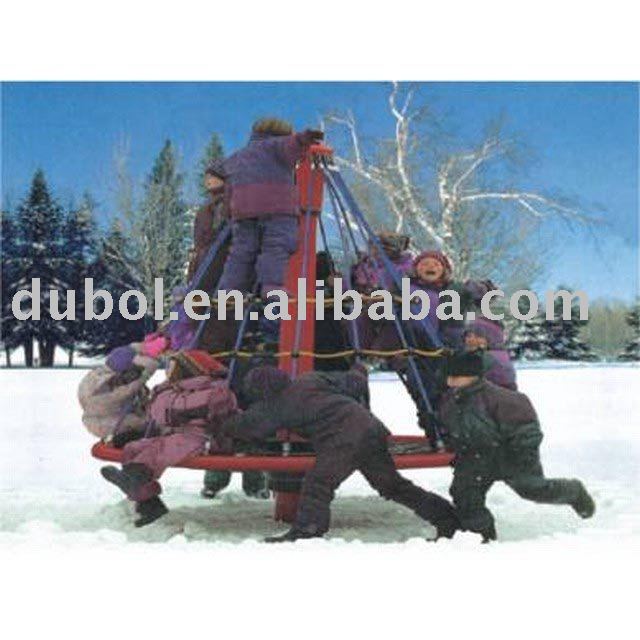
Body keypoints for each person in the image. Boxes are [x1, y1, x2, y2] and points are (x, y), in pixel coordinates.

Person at [217, 365, 459, 542]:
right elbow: (353, 382)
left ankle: (308, 529)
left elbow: (247, 426)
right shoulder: (310, 379)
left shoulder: (276, 407)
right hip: (371, 429)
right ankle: (447, 517)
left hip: (343, 441)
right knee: (392, 485)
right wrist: (358, 370)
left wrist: (218, 423)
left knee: (318, 482)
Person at [438, 352, 595, 542]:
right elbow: (452, 429)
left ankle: (574, 492)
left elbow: (526, 431)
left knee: (532, 489)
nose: (451, 381)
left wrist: (522, 455)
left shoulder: (503, 399)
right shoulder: (450, 402)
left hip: (510, 456)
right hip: (476, 458)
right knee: (465, 495)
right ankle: (482, 536)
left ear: (473, 375)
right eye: (449, 376)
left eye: (456, 376)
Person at [100, 350, 238, 527]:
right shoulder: (173, 390)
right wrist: (161, 394)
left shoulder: (215, 392)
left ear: (188, 371)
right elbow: (158, 415)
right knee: (134, 448)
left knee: (157, 453)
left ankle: (134, 479)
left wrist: (175, 406)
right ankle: (149, 503)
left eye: (174, 368)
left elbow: (219, 418)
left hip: (201, 438)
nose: (169, 373)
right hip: (175, 434)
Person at [218, 118, 324, 298]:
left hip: (243, 210)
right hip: (277, 206)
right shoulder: (277, 145)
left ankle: (230, 288)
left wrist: (229, 212)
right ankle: (271, 286)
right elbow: (291, 146)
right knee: (276, 246)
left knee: (242, 250)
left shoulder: (239, 155)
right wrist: (303, 139)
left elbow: (229, 186)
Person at [78, 343, 159, 440]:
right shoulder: (108, 388)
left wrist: (147, 346)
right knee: (151, 426)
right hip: (108, 423)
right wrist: (147, 371)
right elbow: (128, 388)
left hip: (103, 418)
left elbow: (128, 352)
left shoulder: (98, 375)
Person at [463, 317, 517, 390]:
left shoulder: (488, 358)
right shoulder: (501, 355)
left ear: (493, 339)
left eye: (479, 336)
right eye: (468, 335)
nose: (471, 339)